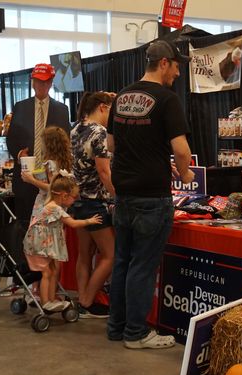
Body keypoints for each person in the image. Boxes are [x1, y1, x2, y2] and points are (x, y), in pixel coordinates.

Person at [106, 40, 195, 349]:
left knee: (123, 262)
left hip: (124, 194)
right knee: (143, 266)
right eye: (176, 65)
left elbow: (111, 145)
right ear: (163, 64)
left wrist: (152, 159)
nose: (179, 72)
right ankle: (136, 333)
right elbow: (181, 150)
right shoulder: (167, 99)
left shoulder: (121, 97)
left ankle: (116, 327)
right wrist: (184, 173)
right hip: (151, 198)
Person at [23, 173, 101, 311]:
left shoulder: (52, 204)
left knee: (52, 270)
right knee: (46, 272)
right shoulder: (55, 208)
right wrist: (90, 221)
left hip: (43, 244)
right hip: (39, 246)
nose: (75, 200)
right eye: (74, 197)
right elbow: (73, 223)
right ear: (64, 196)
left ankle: (52, 299)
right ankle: (45, 302)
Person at [6, 63, 72, 225]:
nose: (42, 85)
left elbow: (65, 141)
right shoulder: (21, 107)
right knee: (23, 222)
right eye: (38, 81)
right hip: (25, 175)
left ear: (51, 83)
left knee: (50, 224)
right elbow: (12, 137)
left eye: (46, 82)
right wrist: (18, 154)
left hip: (51, 178)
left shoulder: (61, 110)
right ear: (32, 82)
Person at [70, 91, 116, 319]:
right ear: (102, 107)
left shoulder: (75, 128)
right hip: (95, 202)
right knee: (110, 255)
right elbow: (104, 171)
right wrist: (118, 195)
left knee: (84, 254)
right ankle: (88, 300)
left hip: (78, 201)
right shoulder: (99, 132)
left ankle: (82, 299)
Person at [21, 126, 72, 217]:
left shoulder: (50, 164)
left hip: (46, 204)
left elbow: (53, 188)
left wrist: (31, 180)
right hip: (60, 204)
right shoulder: (66, 161)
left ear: (49, 145)